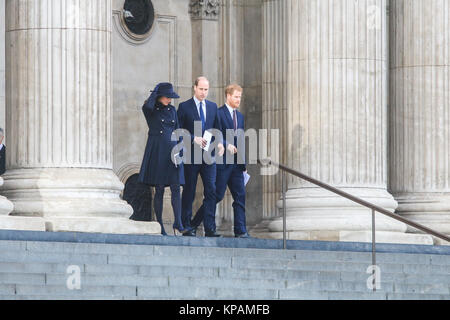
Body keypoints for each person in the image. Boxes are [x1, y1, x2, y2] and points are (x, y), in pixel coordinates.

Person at [191, 84, 250, 238]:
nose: (239, 100)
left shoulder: (240, 117)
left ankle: (241, 230)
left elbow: (241, 141)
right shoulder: (218, 113)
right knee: (216, 196)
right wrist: (225, 144)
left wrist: (243, 166)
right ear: (228, 96)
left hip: (236, 165)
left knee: (240, 196)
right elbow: (211, 134)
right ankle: (193, 224)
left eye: (240, 97)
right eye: (236, 97)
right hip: (221, 163)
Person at [177, 76, 225, 237]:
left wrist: (219, 143)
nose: (204, 92)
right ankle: (187, 226)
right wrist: (193, 138)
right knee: (189, 190)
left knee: (211, 190)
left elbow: (216, 129)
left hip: (208, 155)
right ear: (194, 88)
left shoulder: (212, 107)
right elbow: (178, 131)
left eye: (206, 90)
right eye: (201, 89)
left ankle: (210, 228)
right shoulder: (184, 107)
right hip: (191, 155)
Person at [138, 82, 185, 236]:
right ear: (159, 96)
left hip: (172, 153)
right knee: (159, 188)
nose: (169, 100)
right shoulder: (150, 109)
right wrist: (155, 93)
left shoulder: (172, 110)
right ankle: (160, 224)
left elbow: (177, 130)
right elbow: (147, 107)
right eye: (167, 97)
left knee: (176, 186)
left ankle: (178, 222)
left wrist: (179, 150)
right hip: (158, 151)